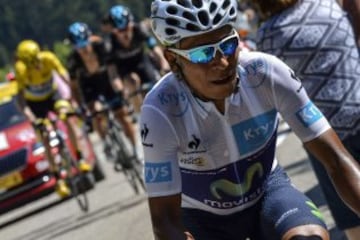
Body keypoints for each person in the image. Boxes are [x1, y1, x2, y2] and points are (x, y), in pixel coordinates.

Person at [139, 0, 360, 239]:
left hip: (269, 195)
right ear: (173, 60)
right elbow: (165, 220)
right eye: (202, 54)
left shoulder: (266, 73)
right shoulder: (159, 111)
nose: (222, 62)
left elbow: (336, 160)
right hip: (203, 221)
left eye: (227, 45)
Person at [253, 0, 360, 239]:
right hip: (358, 106)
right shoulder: (327, 5)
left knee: (352, 221)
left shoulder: (268, 35)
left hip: (322, 133)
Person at [14, 39, 91, 198]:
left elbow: (64, 76)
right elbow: (21, 100)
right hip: (35, 104)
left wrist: (71, 98)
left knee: (67, 117)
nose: (35, 65)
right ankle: (58, 178)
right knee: (45, 138)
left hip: (52, 96)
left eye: (35, 61)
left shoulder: (48, 58)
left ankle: (80, 158)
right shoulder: (20, 70)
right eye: (30, 63)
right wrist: (31, 118)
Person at [66, 21, 138, 160]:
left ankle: (135, 149)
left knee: (122, 115)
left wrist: (120, 87)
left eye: (85, 44)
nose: (84, 50)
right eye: (80, 48)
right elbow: (74, 86)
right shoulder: (73, 60)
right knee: (95, 112)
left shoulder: (101, 46)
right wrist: (79, 105)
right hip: (89, 85)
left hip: (107, 79)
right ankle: (106, 141)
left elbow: (115, 68)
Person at [106, 4, 170, 112]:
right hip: (125, 69)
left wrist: (164, 65)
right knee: (132, 82)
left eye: (127, 28)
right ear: (114, 31)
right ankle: (141, 116)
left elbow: (155, 50)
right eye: (120, 31)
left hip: (142, 62)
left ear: (131, 23)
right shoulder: (110, 44)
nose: (125, 33)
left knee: (156, 87)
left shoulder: (139, 29)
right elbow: (112, 73)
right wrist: (119, 90)